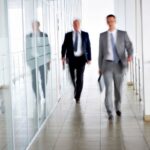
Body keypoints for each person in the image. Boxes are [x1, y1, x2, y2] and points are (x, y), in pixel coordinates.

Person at [98, 14, 133, 120]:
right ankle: (109, 111)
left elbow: (129, 46)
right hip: (107, 65)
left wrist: (130, 55)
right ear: (106, 22)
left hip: (119, 64)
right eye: (108, 21)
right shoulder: (102, 35)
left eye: (112, 21)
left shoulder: (123, 34)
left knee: (118, 89)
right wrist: (100, 67)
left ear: (115, 21)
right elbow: (100, 53)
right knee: (108, 89)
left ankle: (118, 107)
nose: (110, 23)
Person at [62, 19, 91, 103]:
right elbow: (64, 46)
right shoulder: (68, 35)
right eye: (75, 24)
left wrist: (89, 58)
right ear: (73, 25)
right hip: (71, 59)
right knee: (72, 77)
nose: (76, 26)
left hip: (81, 59)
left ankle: (77, 95)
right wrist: (63, 56)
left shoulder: (85, 34)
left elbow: (88, 46)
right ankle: (75, 88)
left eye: (77, 24)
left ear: (80, 24)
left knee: (80, 78)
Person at [26, 21, 51, 105]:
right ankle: (38, 96)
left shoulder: (44, 35)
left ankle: (44, 93)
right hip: (33, 60)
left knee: (44, 78)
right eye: (32, 25)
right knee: (34, 80)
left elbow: (48, 47)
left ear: (39, 25)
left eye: (35, 25)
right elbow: (27, 49)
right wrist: (27, 60)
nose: (33, 27)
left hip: (43, 60)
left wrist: (49, 59)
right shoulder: (28, 36)